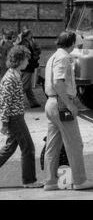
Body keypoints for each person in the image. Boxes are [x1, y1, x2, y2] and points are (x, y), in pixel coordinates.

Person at [43, 31, 93, 190]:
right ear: (72, 42)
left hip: (51, 103)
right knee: (75, 144)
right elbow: (58, 83)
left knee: (53, 146)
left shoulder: (53, 57)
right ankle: (80, 181)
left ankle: (50, 181)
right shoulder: (64, 57)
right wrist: (69, 104)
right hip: (61, 104)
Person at [0, 45, 43, 188]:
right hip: (14, 118)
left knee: (9, 149)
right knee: (28, 147)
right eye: (26, 59)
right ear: (19, 60)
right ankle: (29, 181)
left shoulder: (15, 74)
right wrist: (4, 123)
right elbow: (5, 102)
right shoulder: (11, 78)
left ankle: (29, 180)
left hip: (16, 117)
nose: (27, 62)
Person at [15, 27, 41, 108]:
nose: (32, 35)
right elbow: (28, 54)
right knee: (25, 86)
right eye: (30, 33)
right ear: (28, 35)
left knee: (28, 86)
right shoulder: (26, 42)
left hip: (27, 65)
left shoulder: (27, 41)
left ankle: (33, 102)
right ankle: (15, 102)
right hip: (27, 66)